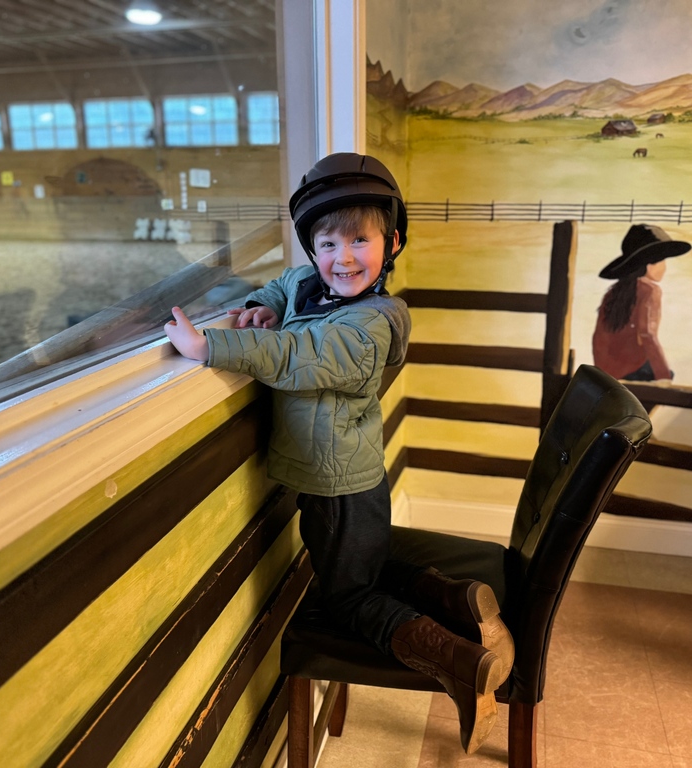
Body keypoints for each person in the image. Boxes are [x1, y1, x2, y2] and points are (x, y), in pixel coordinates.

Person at [164, 152, 513, 754]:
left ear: (392, 243)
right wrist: (269, 305)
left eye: (360, 240)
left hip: (336, 485)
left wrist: (211, 347)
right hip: (352, 474)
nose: (343, 258)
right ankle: (456, 598)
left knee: (344, 594)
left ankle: (456, 660)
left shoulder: (371, 323)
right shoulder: (309, 284)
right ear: (312, 250)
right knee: (367, 566)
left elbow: (298, 358)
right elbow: (283, 287)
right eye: (327, 244)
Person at [592, 224, 691, 381]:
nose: (664, 267)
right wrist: (664, 377)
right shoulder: (650, 291)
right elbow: (648, 334)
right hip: (634, 370)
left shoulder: (613, 293)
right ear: (648, 264)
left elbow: (599, 338)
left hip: (607, 371)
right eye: (661, 261)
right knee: (666, 374)